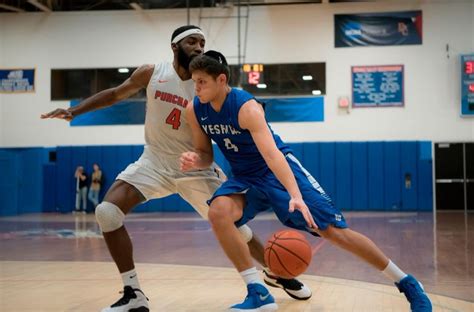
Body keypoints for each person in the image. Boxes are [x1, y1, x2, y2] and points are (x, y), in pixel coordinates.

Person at [40, 26, 310, 312]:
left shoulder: (203, 86)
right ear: (175, 46)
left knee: (235, 227)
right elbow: (116, 94)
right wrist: (74, 111)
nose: (199, 46)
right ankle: (133, 294)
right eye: (192, 41)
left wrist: (202, 157)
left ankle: (278, 271)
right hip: (154, 161)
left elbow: (212, 135)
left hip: (194, 167)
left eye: (203, 42)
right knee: (106, 212)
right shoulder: (152, 73)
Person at [180, 50, 433, 312]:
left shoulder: (247, 108)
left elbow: (272, 155)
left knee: (334, 233)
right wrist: (193, 159)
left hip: (277, 170)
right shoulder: (195, 109)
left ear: (221, 80)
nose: (196, 87)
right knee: (218, 212)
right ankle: (257, 291)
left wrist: (295, 195)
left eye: (202, 82)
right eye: (194, 81)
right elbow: (205, 155)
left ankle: (407, 282)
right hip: (246, 177)